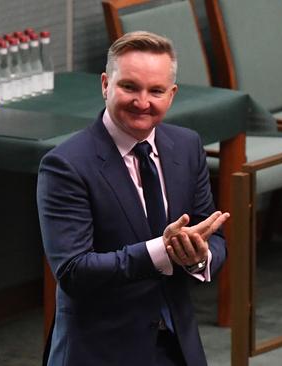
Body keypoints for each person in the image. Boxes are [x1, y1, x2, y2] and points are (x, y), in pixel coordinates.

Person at [37, 31, 229, 366]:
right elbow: (73, 270)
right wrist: (163, 251)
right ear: (105, 85)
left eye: (155, 91)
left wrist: (198, 257)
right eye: (130, 87)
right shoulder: (66, 165)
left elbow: (211, 237)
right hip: (99, 353)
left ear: (172, 95)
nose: (142, 102)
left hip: (177, 348)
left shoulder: (186, 146)